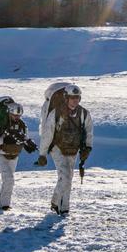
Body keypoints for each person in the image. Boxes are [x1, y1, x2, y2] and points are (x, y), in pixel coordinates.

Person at [37, 84, 93, 216]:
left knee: (68, 177)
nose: (75, 100)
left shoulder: (84, 114)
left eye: (77, 98)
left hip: (73, 148)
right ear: (66, 98)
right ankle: (56, 202)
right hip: (57, 148)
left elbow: (89, 131)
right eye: (72, 97)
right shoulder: (55, 113)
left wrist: (88, 147)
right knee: (66, 176)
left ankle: (64, 208)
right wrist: (42, 153)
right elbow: (48, 134)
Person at [0, 98, 37, 210]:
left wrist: (28, 143)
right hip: (1, 154)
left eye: (18, 116)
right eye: (14, 115)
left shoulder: (22, 125)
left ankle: (1, 203)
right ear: (9, 113)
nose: (16, 117)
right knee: (9, 179)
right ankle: (4, 205)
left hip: (14, 156)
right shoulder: (0, 125)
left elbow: (24, 137)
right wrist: (4, 139)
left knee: (8, 180)